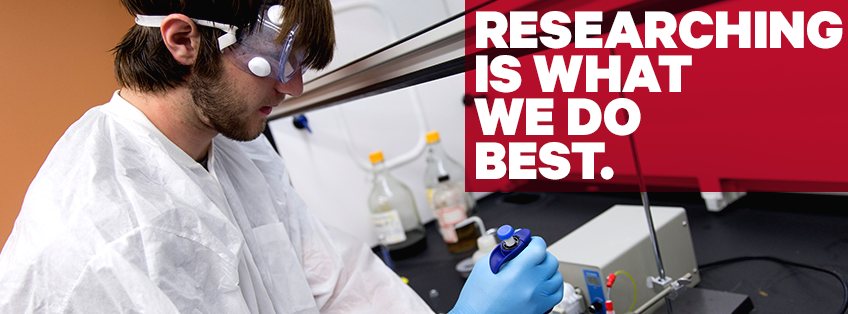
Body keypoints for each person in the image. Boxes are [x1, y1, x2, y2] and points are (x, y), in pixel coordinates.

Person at [0, 0, 563, 313]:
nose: (293, 90)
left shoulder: (234, 150)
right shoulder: (107, 237)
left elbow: (338, 283)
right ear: (183, 40)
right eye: (279, 61)